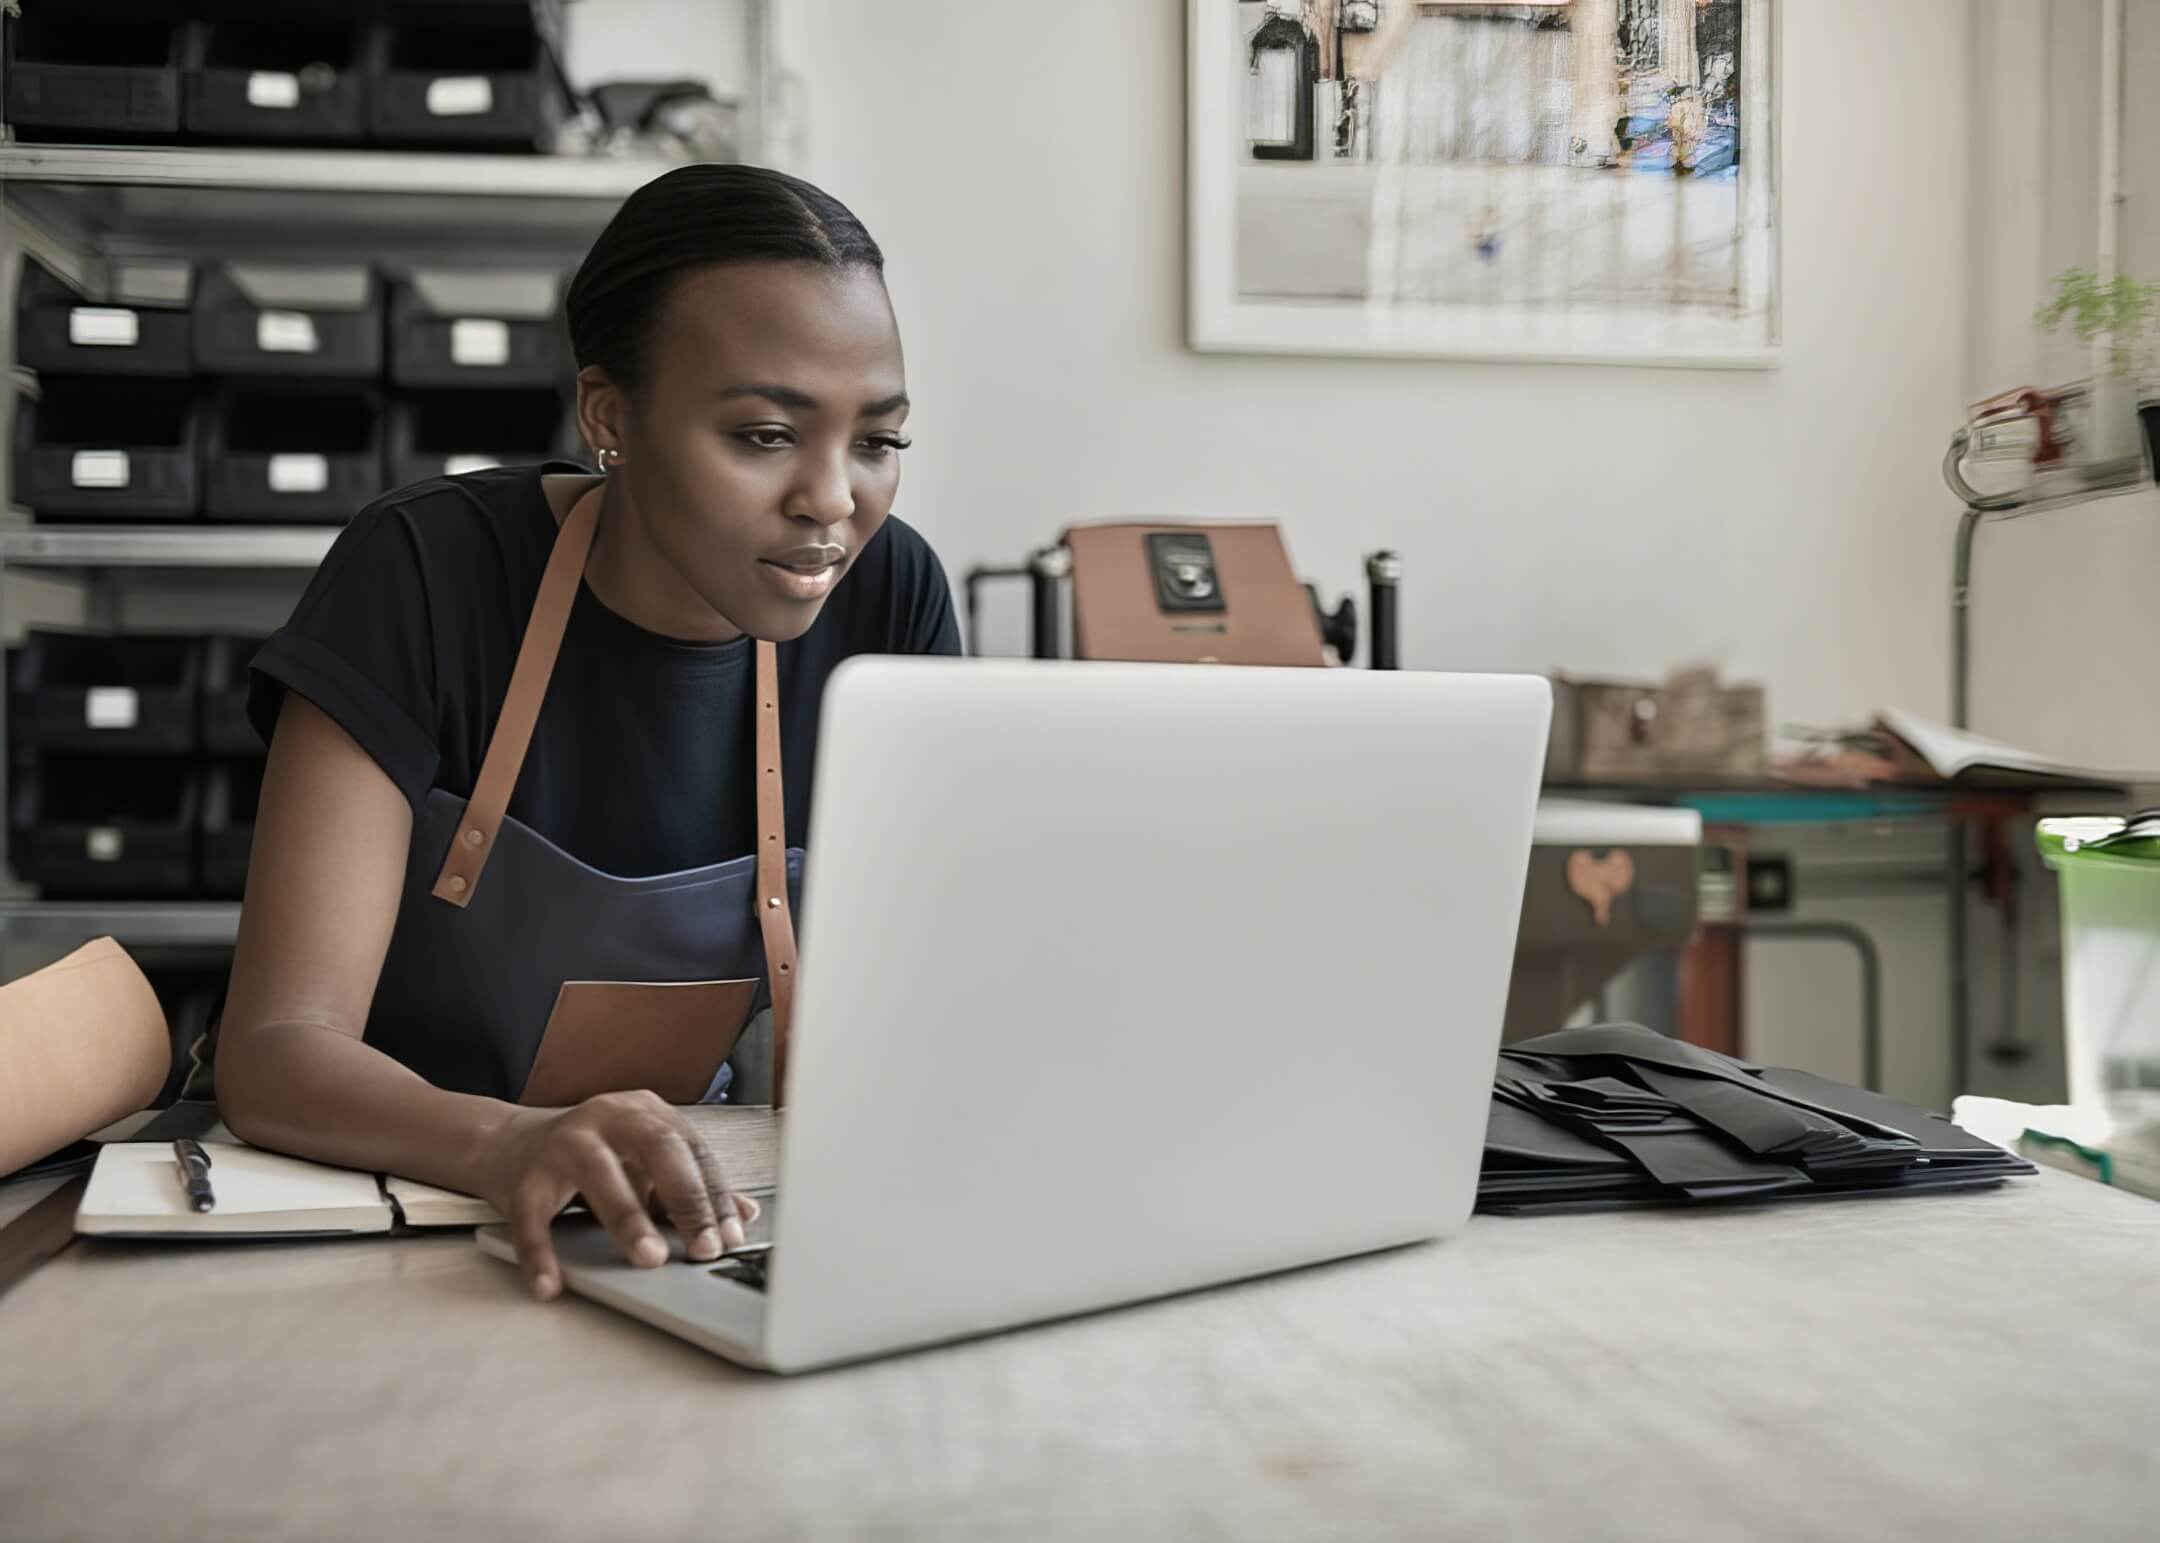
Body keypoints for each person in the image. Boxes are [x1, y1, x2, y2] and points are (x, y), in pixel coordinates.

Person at [217, 165, 959, 1302]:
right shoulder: (423, 572)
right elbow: (275, 1049)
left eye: (878, 441)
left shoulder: (890, 595)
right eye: (765, 435)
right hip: (380, 1218)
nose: (832, 499)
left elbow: (927, 1001)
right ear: (610, 416)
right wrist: (508, 1142)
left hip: (667, 1220)